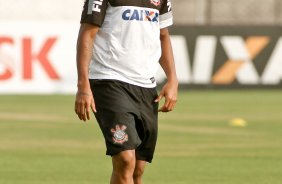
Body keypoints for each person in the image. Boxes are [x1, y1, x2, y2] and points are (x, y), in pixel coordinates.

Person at [74, 0, 178, 183]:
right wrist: (83, 85)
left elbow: (163, 35)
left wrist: (172, 79)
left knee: (138, 168)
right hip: (109, 81)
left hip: (146, 86)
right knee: (125, 160)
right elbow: (87, 34)